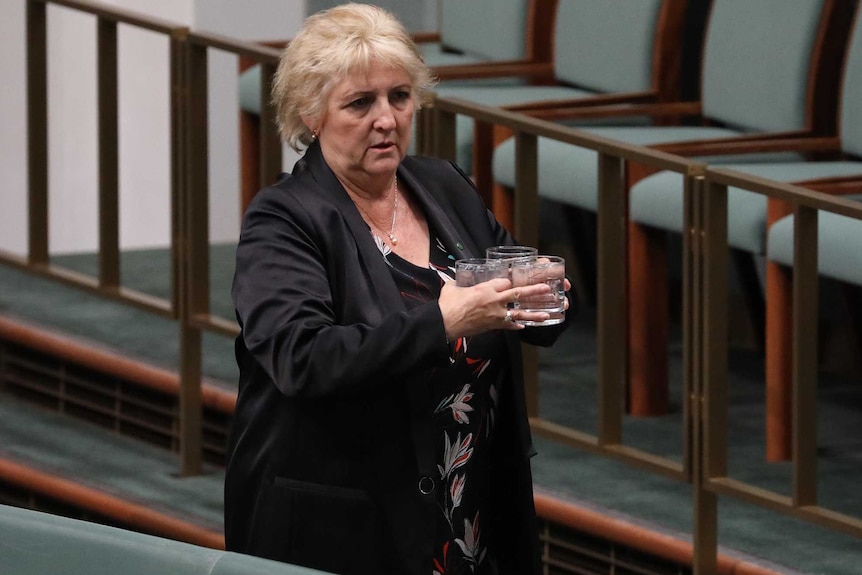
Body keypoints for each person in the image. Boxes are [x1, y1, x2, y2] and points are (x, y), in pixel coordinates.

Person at [224, 4, 572, 575]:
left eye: (399, 97)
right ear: (312, 113)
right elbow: (302, 358)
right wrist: (444, 323)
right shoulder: (284, 220)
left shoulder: (442, 186)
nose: (386, 119)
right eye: (360, 103)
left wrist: (546, 297)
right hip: (347, 528)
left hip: (471, 511)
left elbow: (522, 292)